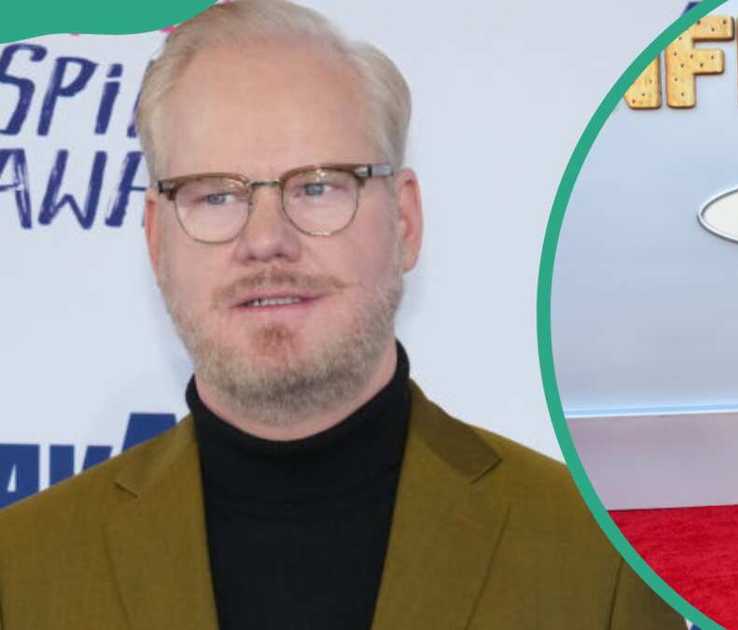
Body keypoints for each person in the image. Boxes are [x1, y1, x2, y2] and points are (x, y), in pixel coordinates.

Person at [0, 2, 682, 629]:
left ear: (405, 221)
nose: (266, 238)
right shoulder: (22, 570)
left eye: (319, 185)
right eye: (214, 196)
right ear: (156, 238)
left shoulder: (603, 557)